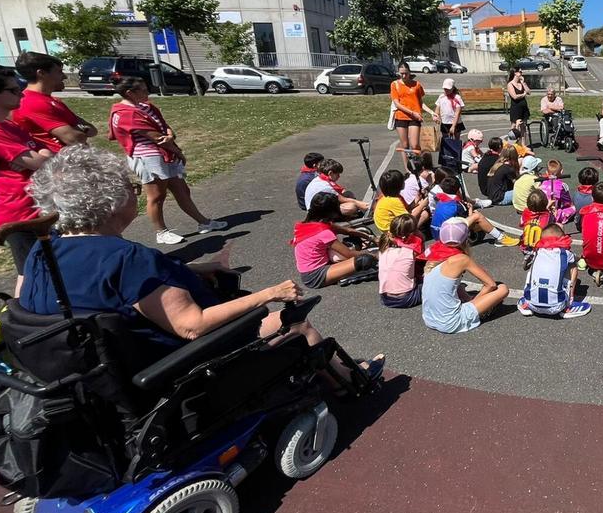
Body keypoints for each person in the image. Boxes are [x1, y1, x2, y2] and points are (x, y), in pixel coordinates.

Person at [22, 145, 382, 383]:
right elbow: (192, 327)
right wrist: (269, 294)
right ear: (112, 201)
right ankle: (351, 380)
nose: (136, 194)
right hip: (176, 358)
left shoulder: (43, 251)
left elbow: (105, 290)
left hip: (98, 367)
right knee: (296, 322)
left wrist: (193, 269)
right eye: (132, 189)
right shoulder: (128, 259)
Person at [108, 77, 227, 245]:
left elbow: (164, 127)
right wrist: (178, 152)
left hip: (164, 154)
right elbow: (157, 137)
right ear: (129, 93)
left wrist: (170, 135)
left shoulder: (145, 106)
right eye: (143, 90)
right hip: (148, 158)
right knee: (157, 196)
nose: (148, 92)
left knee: (181, 190)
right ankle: (161, 232)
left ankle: (204, 222)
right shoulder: (126, 113)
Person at [0, 64, 52, 275]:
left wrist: (37, 157)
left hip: (36, 209)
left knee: (49, 271)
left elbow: (46, 154)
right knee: (32, 274)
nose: (21, 94)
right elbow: (42, 162)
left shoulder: (10, 126)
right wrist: (38, 158)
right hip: (18, 214)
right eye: (14, 90)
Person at [421, 218, 510, 334]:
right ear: (466, 239)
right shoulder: (461, 259)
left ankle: (469, 303)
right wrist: (475, 301)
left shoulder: (435, 253)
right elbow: (490, 285)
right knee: (502, 288)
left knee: (459, 286)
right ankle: (481, 313)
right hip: (451, 322)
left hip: (429, 319)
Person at [12, 51, 98, 153]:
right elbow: (75, 139)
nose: (65, 76)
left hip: (75, 157)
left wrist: (79, 130)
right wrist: (81, 129)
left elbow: (93, 130)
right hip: (58, 160)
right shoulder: (32, 102)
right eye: (59, 72)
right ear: (41, 73)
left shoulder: (53, 100)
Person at [293, 193, 377, 288]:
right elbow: (349, 254)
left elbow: (347, 230)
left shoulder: (305, 225)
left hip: (311, 269)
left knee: (352, 243)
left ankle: (344, 271)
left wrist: (370, 237)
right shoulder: (323, 232)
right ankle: (347, 277)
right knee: (365, 259)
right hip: (315, 275)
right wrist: (374, 254)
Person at [518, 223, 591, 319]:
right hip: (556, 306)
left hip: (531, 304)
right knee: (573, 266)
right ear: (562, 238)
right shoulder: (564, 253)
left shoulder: (537, 251)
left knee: (535, 268)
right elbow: (575, 259)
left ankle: (526, 304)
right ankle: (568, 305)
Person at [430, 174, 518, 246]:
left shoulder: (440, 200)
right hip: (448, 238)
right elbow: (468, 218)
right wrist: (470, 209)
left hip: (437, 234)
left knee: (476, 220)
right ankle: (500, 238)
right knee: (477, 216)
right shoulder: (456, 205)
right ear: (458, 190)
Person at [378, 214, 425, 309]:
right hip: (406, 298)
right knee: (432, 282)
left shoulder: (384, 248)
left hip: (385, 298)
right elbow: (423, 262)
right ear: (412, 234)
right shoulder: (411, 251)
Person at [390, 62, 436, 156]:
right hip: (401, 117)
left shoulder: (416, 85)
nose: (404, 76)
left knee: (414, 145)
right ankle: (407, 165)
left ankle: (418, 162)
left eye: (406, 73)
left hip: (415, 117)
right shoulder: (395, 84)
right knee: (405, 145)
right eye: (401, 73)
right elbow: (397, 104)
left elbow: (420, 102)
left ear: (409, 72)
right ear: (398, 72)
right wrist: (412, 112)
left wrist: (431, 112)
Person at [304, 158, 369, 219]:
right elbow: (343, 199)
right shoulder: (325, 187)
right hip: (319, 214)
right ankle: (343, 219)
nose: (339, 176)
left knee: (348, 194)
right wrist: (362, 205)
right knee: (351, 207)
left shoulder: (320, 179)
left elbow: (342, 191)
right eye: (337, 174)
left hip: (321, 206)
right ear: (330, 173)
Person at [539, 159, 575, 225]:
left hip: (542, 210)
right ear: (561, 171)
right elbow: (567, 202)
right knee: (573, 208)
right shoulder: (562, 186)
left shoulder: (542, 183)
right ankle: (558, 218)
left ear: (546, 172)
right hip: (553, 213)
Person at [505, 68, 531, 142]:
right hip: (516, 107)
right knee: (514, 126)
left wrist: (523, 83)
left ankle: (523, 144)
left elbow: (529, 92)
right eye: (520, 71)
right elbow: (514, 96)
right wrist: (523, 94)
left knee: (523, 126)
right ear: (515, 73)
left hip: (524, 107)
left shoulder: (521, 83)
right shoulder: (510, 84)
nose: (521, 72)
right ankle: (511, 143)